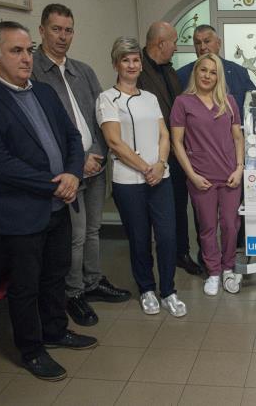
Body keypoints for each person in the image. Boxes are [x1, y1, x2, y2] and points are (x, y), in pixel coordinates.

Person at [0, 21, 96, 381]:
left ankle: (55, 330)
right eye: (16, 51)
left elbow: (71, 137)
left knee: (55, 274)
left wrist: (72, 173)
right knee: (25, 286)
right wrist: (55, 184)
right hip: (19, 214)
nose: (26, 58)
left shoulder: (44, 92)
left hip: (58, 206)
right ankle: (32, 350)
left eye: (28, 50)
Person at [31, 3, 131, 327]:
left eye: (68, 30)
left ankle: (93, 280)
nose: (63, 36)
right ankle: (73, 293)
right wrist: (77, 162)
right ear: (42, 30)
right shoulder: (33, 72)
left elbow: (102, 115)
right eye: (56, 29)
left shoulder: (83, 71)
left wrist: (98, 152)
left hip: (96, 166)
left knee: (92, 231)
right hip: (66, 173)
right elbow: (40, 129)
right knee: (74, 237)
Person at [96, 37, 186, 318]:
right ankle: (147, 289)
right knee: (139, 238)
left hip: (161, 178)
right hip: (129, 182)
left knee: (167, 236)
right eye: (126, 60)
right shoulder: (107, 99)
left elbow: (164, 135)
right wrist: (146, 168)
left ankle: (168, 291)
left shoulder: (150, 98)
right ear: (116, 64)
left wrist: (160, 164)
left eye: (136, 60)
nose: (132, 65)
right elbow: (115, 142)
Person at [170, 53, 244, 296]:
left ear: (218, 77)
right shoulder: (183, 103)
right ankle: (213, 272)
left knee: (231, 225)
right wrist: (191, 175)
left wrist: (240, 168)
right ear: (196, 71)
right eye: (203, 70)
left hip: (230, 175)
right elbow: (177, 142)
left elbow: (237, 137)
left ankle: (228, 268)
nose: (207, 76)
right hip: (201, 177)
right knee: (208, 227)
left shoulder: (228, 101)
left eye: (213, 72)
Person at [138, 21, 202, 276]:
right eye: (174, 42)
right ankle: (156, 262)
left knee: (178, 205)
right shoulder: (137, 70)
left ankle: (181, 253)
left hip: (176, 152)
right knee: (154, 214)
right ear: (161, 43)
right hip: (149, 156)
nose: (176, 47)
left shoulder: (170, 71)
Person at [176, 24, 256, 121]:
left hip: (234, 129)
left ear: (219, 43)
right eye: (198, 43)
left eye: (207, 41)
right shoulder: (182, 75)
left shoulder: (239, 72)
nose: (202, 47)